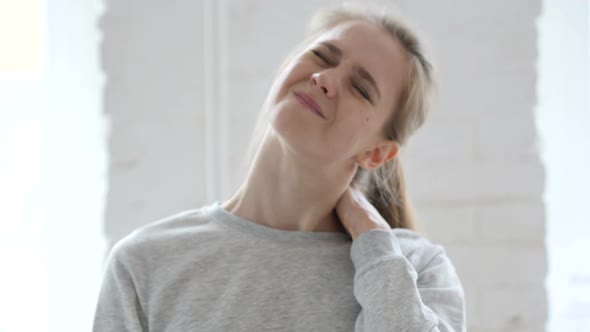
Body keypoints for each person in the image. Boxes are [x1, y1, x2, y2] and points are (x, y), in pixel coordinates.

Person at [94, 4, 466, 332]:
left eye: (361, 88)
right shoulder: (146, 263)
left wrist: (373, 242)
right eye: (322, 56)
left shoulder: (417, 270)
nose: (326, 79)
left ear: (377, 153)